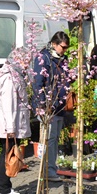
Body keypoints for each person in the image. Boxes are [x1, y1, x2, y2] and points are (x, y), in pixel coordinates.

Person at [0, 48, 31, 194]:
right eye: (26, 60)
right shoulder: (10, 78)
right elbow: (9, 104)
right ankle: (4, 189)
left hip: (11, 121)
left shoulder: (13, 74)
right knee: (9, 154)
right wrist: (11, 128)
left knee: (5, 152)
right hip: (10, 122)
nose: (27, 64)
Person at [32, 31, 71, 183]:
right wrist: (43, 104)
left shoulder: (62, 58)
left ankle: (51, 169)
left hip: (60, 105)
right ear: (54, 44)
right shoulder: (44, 58)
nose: (65, 50)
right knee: (49, 138)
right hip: (49, 106)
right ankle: (48, 170)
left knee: (54, 138)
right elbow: (38, 83)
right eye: (63, 47)